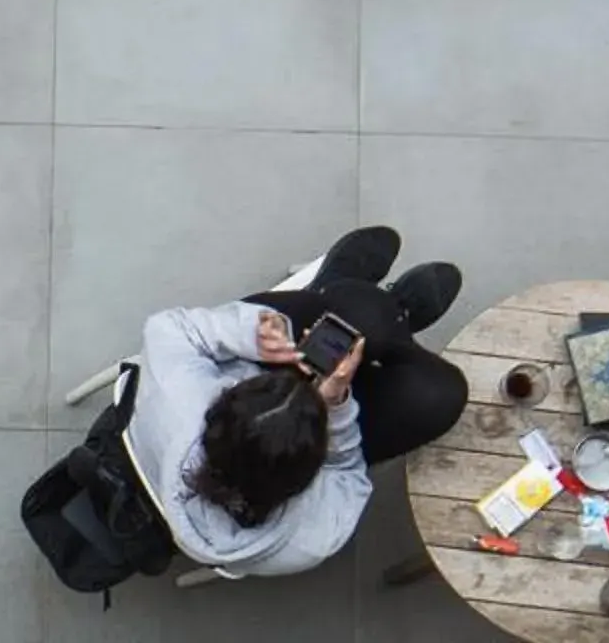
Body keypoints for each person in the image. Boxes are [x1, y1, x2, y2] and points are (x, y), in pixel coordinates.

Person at [127, 227, 470, 579]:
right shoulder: (311, 535)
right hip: (328, 422)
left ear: (215, 407)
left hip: (169, 451)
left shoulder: (179, 399)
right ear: (306, 475)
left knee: (355, 318)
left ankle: (345, 298)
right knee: (436, 390)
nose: (296, 384)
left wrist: (252, 336)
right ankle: (391, 317)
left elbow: (170, 328)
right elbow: (348, 475)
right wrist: (335, 405)